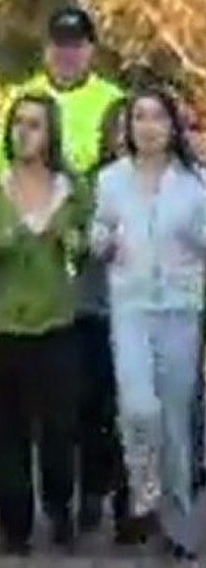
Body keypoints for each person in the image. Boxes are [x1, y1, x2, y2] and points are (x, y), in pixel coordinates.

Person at [0, 93, 88, 555]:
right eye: (18, 123)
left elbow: (84, 247)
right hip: (1, 324)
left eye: (35, 124)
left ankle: (60, 505)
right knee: (5, 430)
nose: (24, 132)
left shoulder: (72, 187)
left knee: (58, 429)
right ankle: (15, 523)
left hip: (56, 321)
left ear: (51, 132)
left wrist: (75, 238)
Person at [90, 85, 206, 560]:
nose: (149, 127)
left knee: (176, 422)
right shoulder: (111, 180)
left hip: (180, 307)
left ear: (171, 126)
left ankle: (178, 524)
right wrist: (101, 241)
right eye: (140, 117)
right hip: (130, 305)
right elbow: (97, 229)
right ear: (128, 127)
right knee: (139, 405)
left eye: (158, 117)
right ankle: (145, 489)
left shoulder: (195, 182)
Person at [73, 98, 134, 541]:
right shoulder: (93, 183)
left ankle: (132, 501)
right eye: (122, 127)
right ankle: (93, 489)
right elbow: (75, 239)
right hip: (95, 309)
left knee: (137, 410)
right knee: (96, 408)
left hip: (148, 310)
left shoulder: (177, 182)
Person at [0, 6, 122, 175]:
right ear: (46, 49)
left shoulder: (113, 100)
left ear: (91, 50)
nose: (67, 54)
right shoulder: (21, 96)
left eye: (76, 46)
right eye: (60, 44)